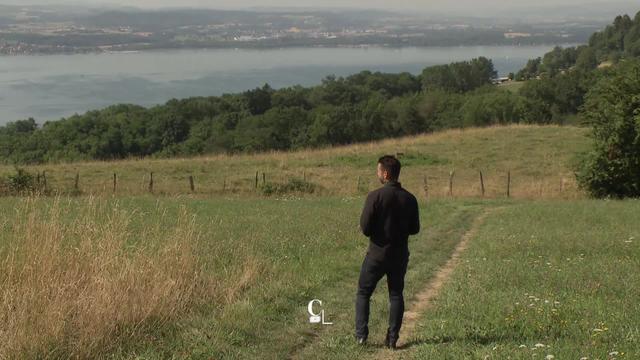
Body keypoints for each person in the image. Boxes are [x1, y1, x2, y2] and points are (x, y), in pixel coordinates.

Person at [355, 155, 420, 349]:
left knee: (363, 292)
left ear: (385, 173)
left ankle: (361, 336)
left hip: (376, 255)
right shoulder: (410, 198)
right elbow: (415, 229)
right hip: (399, 255)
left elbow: (365, 229)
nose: (377, 174)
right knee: (396, 294)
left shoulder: (374, 196)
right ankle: (392, 339)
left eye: (378, 171)